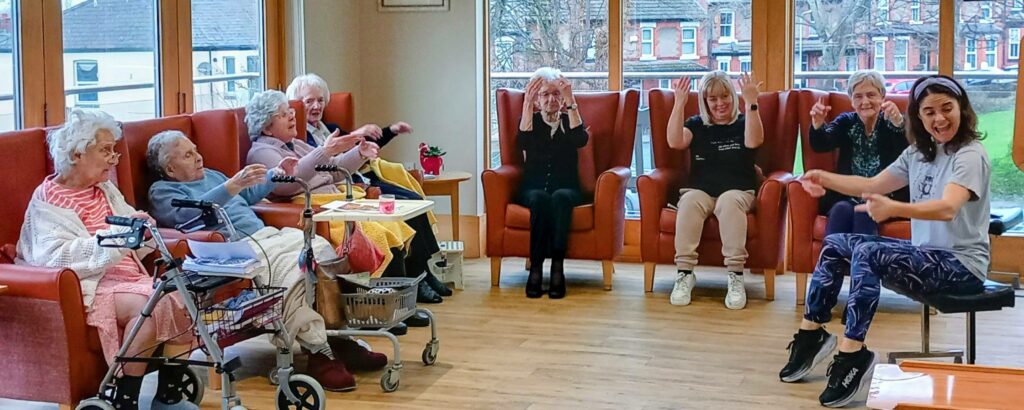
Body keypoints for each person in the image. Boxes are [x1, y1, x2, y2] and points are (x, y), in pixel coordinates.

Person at [779, 75, 990, 408]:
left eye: (947, 108)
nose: (939, 119)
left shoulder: (969, 154)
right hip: (926, 256)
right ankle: (811, 334)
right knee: (836, 243)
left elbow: (949, 207)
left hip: (960, 266)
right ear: (918, 118)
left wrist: (895, 207)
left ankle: (853, 355)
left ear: (962, 109)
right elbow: (871, 183)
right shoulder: (918, 154)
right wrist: (821, 177)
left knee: (867, 249)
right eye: (929, 112)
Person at [147, 130, 388, 392]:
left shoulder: (212, 175)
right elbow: (187, 213)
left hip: (268, 235)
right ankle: (319, 353)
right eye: (187, 154)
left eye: (195, 149)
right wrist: (231, 186)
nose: (198, 157)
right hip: (237, 249)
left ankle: (337, 339)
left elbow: (246, 196)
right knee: (296, 271)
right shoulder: (162, 190)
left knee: (319, 252)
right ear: (170, 168)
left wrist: (275, 174)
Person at [16, 110, 194, 408]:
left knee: (183, 296)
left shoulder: (105, 189)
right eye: (105, 150)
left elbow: (130, 234)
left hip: (129, 277)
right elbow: (53, 258)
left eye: (115, 149)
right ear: (76, 154)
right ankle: (126, 399)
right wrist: (118, 237)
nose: (115, 158)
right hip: (92, 286)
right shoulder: (48, 200)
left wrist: (143, 231)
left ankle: (169, 397)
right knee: (150, 306)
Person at [244, 90, 449, 308]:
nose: (292, 116)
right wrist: (324, 151)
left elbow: (335, 172)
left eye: (290, 111)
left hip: (338, 200)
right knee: (380, 232)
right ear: (266, 127)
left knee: (397, 221)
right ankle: (385, 306)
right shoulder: (261, 152)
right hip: (315, 208)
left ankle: (405, 297)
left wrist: (359, 154)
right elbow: (290, 184)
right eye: (283, 114)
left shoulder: (297, 145)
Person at [664, 70, 764, 310]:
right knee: (688, 201)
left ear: (732, 96)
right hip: (702, 191)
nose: (720, 103)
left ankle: (735, 276)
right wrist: (678, 103)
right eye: (713, 99)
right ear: (705, 101)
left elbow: (754, 141)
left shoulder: (743, 122)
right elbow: (675, 142)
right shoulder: (697, 125)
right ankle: (685, 273)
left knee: (728, 202)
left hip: (738, 191)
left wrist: (751, 103)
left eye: (725, 97)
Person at [286, 73, 426, 202]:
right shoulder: (299, 136)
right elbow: (323, 162)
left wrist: (391, 131)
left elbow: (362, 146)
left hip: (364, 179)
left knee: (415, 200)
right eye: (309, 101)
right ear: (297, 105)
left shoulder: (330, 128)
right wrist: (357, 134)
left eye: (320, 100)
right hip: (346, 187)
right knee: (410, 201)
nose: (317, 106)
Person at [809, 70, 910, 236]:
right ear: (851, 101)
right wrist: (818, 125)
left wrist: (899, 124)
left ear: (882, 97)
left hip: (887, 197)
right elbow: (822, 144)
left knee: (864, 212)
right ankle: (831, 260)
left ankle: (864, 261)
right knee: (840, 210)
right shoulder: (847, 122)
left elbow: (910, 152)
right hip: (849, 196)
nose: (865, 102)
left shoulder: (894, 121)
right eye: (858, 96)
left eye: (871, 95)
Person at [515, 67, 588, 299]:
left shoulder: (570, 121)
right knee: (539, 198)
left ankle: (558, 266)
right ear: (537, 100)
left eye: (556, 94)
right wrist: (527, 103)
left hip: (567, 188)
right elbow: (522, 142)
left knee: (560, 197)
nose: (551, 99)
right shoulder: (531, 121)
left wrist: (571, 99)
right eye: (545, 94)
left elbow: (581, 139)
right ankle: (535, 268)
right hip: (533, 189)